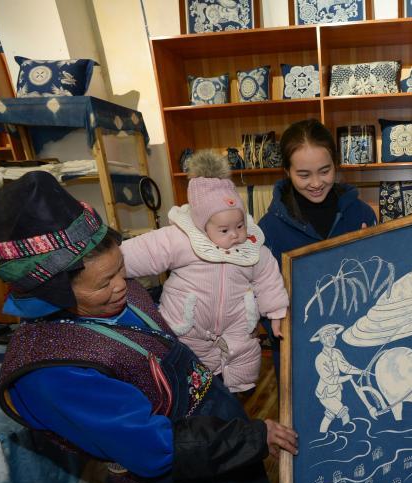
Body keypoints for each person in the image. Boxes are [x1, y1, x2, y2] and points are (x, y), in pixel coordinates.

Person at [0, 171, 298, 483]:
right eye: (103, 283)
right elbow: (153, 447)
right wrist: (249, 438)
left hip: (214, 434)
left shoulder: (114, 293)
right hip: (183, 476)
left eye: (120, 271)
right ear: (49, 293)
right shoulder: (52, 372)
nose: (121, 286)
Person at [122, 149, 288, 394]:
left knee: (242, 363)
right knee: (192, 381)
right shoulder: (180, 240)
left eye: (240, 225)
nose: (235, 234)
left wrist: (276, 312)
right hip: (186, 327)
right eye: (224, 230)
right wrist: (106, 265)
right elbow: (139, 252)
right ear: (202, 225)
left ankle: (239, 398)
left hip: (237, 326)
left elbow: (268, 278)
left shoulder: (251, 248)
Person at [258, 119, 377, 376]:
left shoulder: (361, 215)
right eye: (303, 174)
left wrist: (373, 251)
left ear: (336, 164)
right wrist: (275, 323)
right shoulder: (268, 229)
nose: (315, 183)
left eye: (325, 171)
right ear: (287, 172)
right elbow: (258, 294)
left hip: (357, 341)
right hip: (298, 353)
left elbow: (379, 280)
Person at [310, 324, 366, 433]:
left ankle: (322, 434)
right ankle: (350, 435)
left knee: (330, 415)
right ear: (321, 339)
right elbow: (329, 379)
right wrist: (347, 378)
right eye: (327, 335)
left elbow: (346, 367)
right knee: (344, 414)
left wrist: (360, 371)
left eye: (333, 334)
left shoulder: (337, 352)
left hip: (337, 391)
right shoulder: (319, 359)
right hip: (325, 394)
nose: (332, 338)